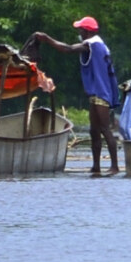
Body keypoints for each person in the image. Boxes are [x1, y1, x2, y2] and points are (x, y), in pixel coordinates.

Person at [30, 16, 122, 174]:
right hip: (96, 92)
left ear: (86, 32)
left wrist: (47, 39)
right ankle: (96, 166)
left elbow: (68, 49)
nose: (79, 32)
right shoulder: (97, 45)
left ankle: (114, 166)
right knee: (94, 131)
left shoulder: (92, 44)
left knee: (105, 129)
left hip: (101, 92)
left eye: (80, 29)